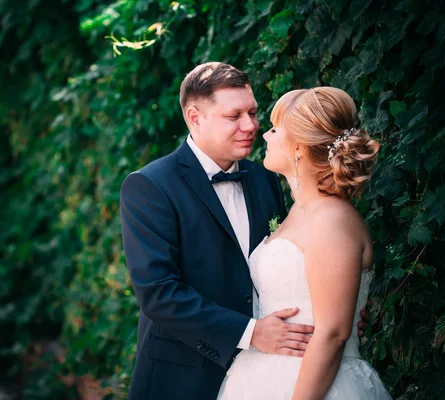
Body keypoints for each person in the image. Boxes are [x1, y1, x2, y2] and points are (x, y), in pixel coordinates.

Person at [120, 63, 371, 400]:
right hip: (182, 376)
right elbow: (158, 293)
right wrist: (251, 333)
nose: (251, 126)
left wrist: (340, 307)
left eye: (253, 112)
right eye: (234, 115)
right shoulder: (150, 186)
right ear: (195, 117)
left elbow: (305, 263)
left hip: (281, 373)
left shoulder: (265, 179)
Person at [217, 87, 390, 399]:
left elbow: (334, 333)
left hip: (314, 383)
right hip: (261, 377)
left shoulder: (332, 219)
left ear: (297, 147)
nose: (264, 136)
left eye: (274, 128)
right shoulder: (299, 211)